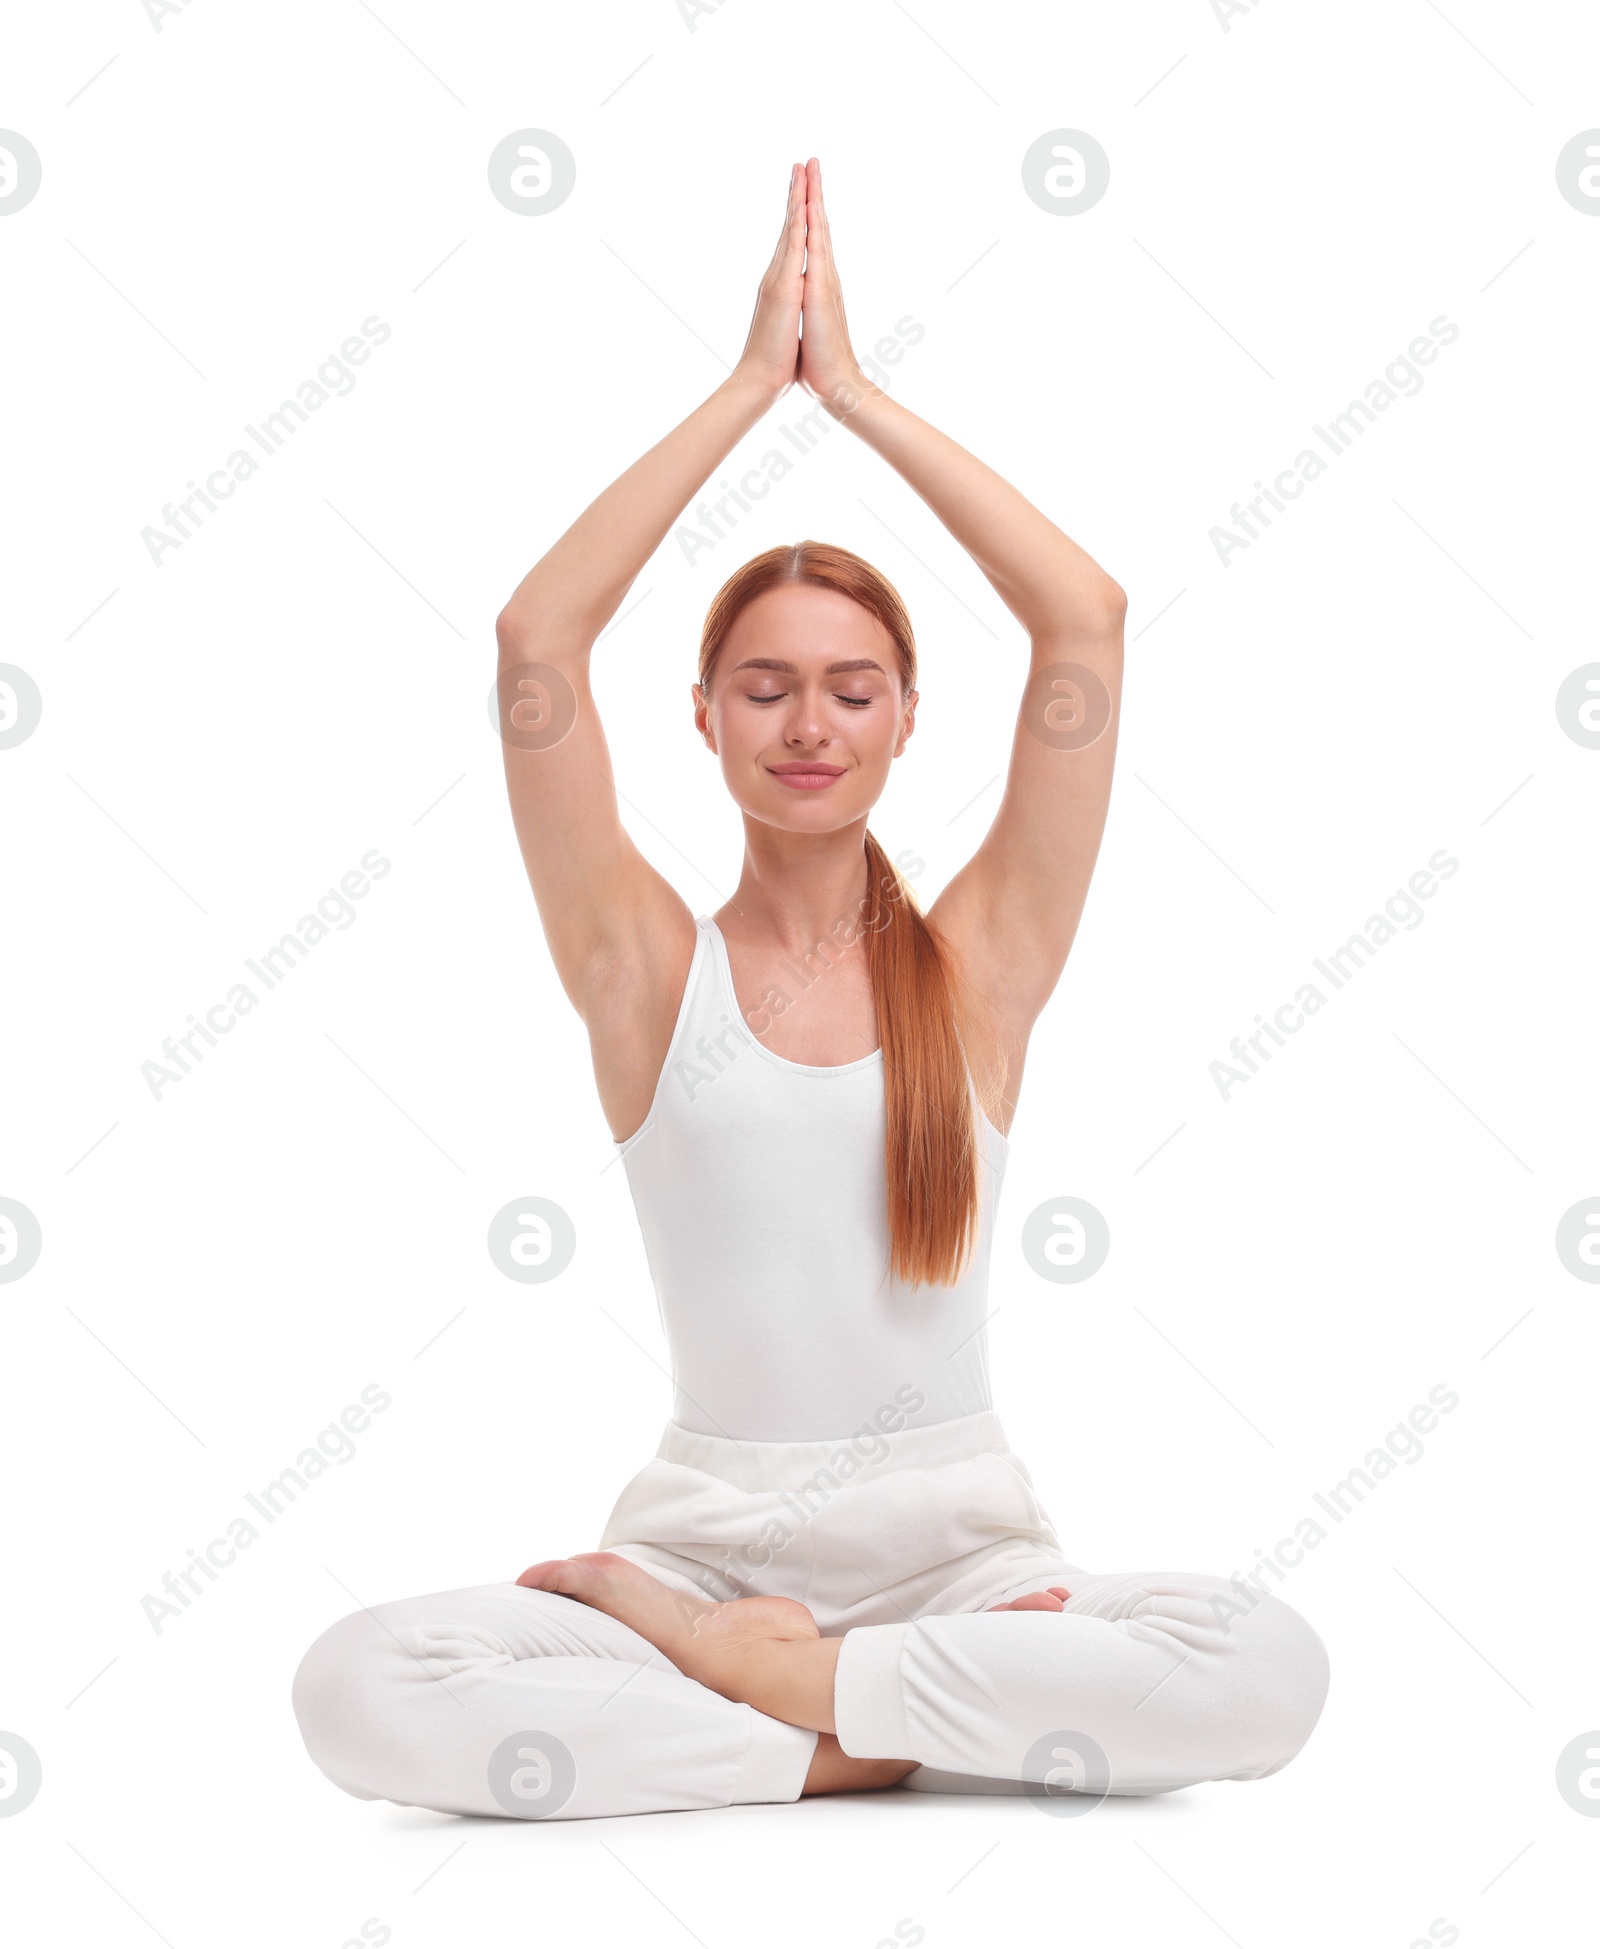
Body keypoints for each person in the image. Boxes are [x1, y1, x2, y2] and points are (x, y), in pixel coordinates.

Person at [292, 158, 1329, 1820]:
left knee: (1269, 1664)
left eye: (854, 688)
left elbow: (1087, 623)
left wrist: (849, 395)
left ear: (910, 716)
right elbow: (536, 643)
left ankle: (789, 1706)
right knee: (356, 1690)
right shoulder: (645, 974)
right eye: (763, 687)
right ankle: (862, 1726)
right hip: (698, 1563)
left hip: (968, 1570)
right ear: (701, 716)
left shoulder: (980, 968)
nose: (809, 723)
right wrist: (738, 395)